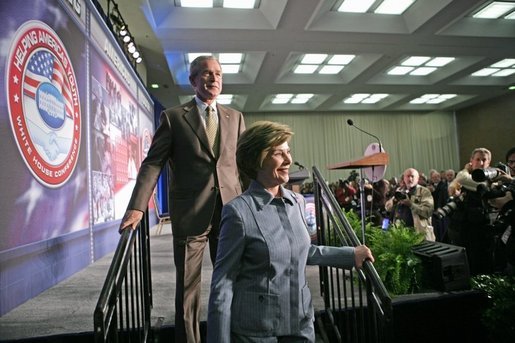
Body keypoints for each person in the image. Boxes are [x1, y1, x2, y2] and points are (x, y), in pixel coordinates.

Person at [207, 121, 374, 342]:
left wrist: (350, 255)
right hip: (256, 330)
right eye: (279, 153)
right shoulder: (237, 212)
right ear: (257, 159)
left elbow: (303, 250)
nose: (288, 160)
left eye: (289, 152)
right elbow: (223, 282)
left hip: (300, 321)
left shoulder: (296, 201)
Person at [119, 55, 246, 343]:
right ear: (192, 80)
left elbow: (246, 165)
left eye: (218, 74)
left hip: (231, 213)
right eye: (205, 73)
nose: (213, 78)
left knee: (232, 282)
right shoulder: (174, 117)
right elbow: (153, 163)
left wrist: (259, 201)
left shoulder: (235, 117)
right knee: (188, 289)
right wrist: (138, 206)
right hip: (191, 214)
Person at [447, 148, 495, 275]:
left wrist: (465, 169)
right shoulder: (466, 177)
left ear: (489, 162)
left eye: (484, 160)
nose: (481, 163)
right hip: (463, 227)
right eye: (477, 159)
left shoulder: (489, 178)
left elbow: (462, 179)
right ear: (471, 161)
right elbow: (452, 189)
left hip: (481, 228)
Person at [385, 168, 436, 241]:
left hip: (420, 234)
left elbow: (428, 211)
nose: (410, 179)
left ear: (417, 179)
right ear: (404, 178)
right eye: (408, 176)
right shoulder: (400, 191)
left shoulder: (424, 192)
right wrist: (394, 200)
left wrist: (411, 205)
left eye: (412, 176)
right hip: (401, 235)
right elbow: (387, 208)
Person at [428, 169, 449, 242]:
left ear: (439, 177)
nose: (434, 179)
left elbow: (442, 198)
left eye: (436, 177)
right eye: (433, 178)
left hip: (441, 209)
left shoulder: (443, 186)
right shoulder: (432, 186)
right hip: (434, 209)